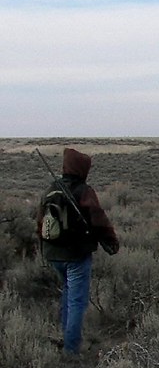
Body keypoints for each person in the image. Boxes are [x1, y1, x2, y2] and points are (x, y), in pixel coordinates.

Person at [36, 148, 119, 355]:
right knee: (76, 300)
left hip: (53, 254)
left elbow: (39, 222)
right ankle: (71, 350)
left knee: (67, 292)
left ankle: (65, 335)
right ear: (82, 169)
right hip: (76, 255)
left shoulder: (50, 189)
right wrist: (110, 241)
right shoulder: (83, 191)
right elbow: (98, 219)